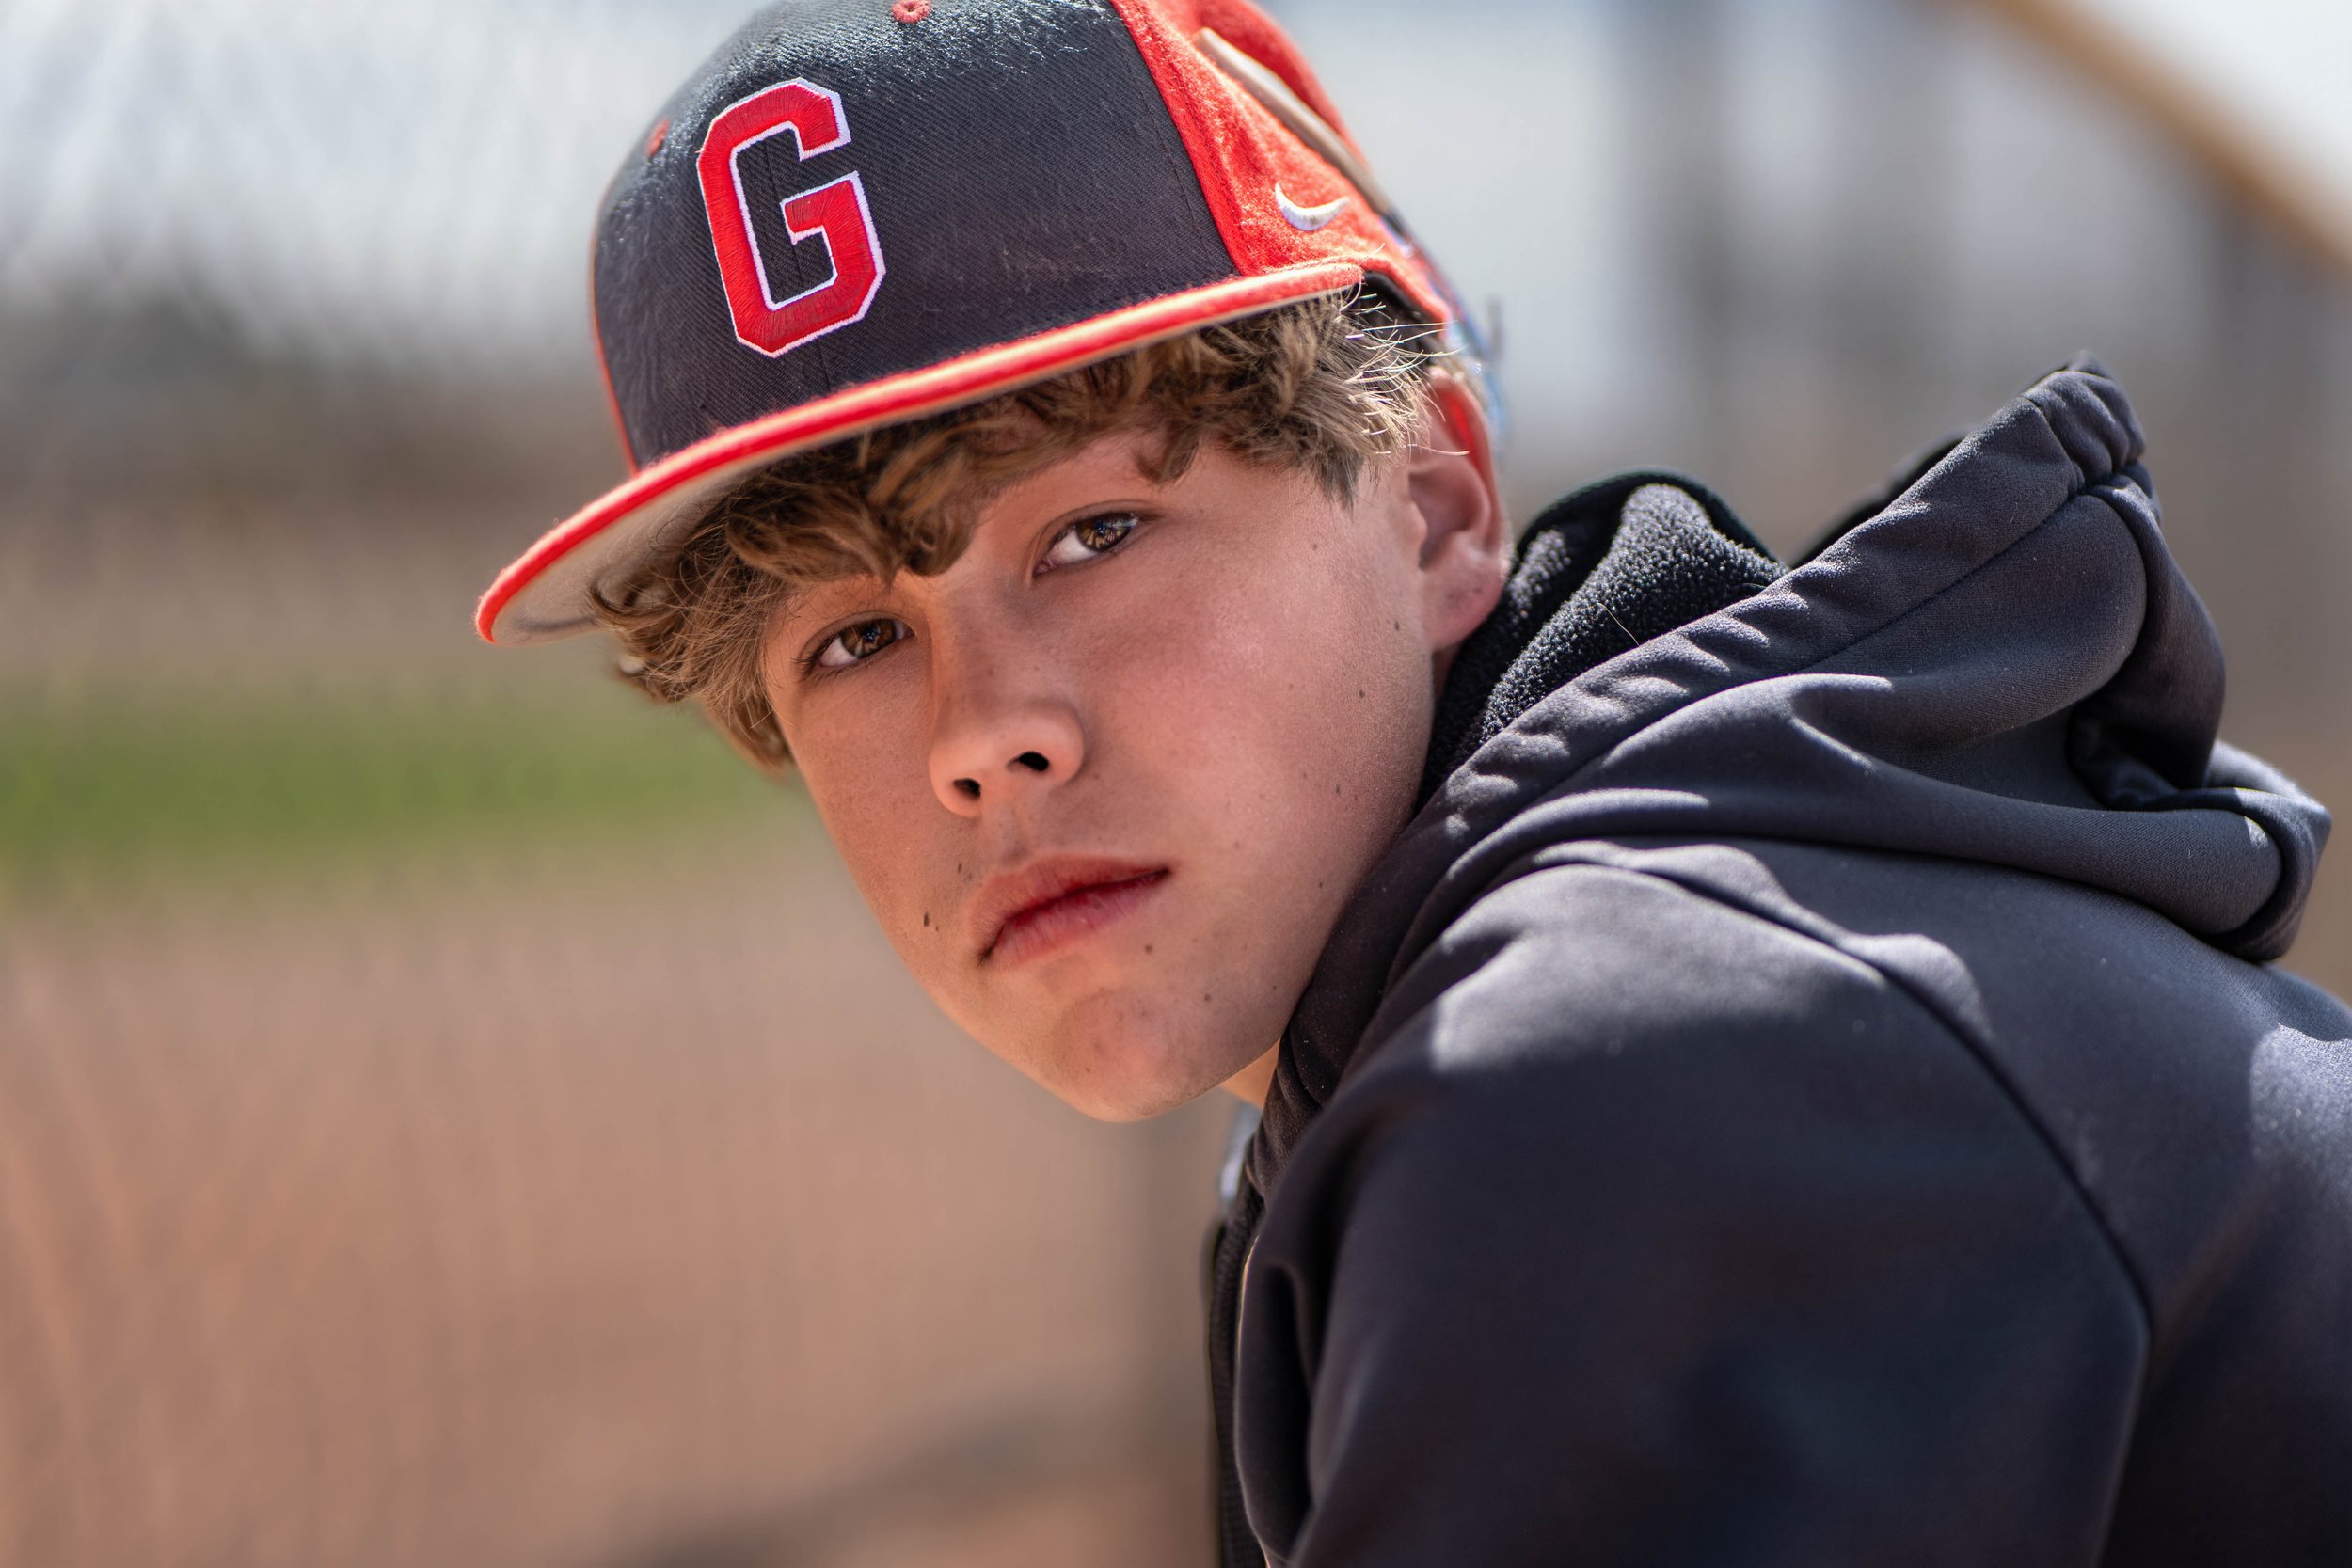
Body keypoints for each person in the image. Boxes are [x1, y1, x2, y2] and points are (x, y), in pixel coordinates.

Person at [475, 0, 2352, 1561]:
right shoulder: (1609, 975)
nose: (984, 734)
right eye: (852, 642)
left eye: (1097, 528)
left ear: (1437, 500)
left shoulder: (1615, 1065)